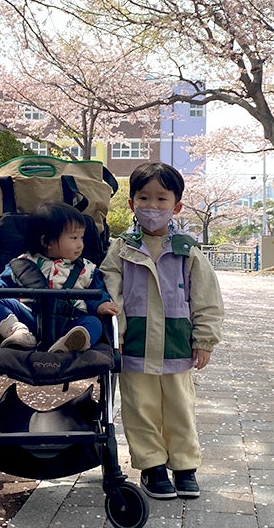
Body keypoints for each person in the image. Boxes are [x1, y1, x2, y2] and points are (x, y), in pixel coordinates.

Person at [100, 162, 224, 500]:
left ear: (176, 206)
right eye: (144, 198)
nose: (152, 206)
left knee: (180, 408)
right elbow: (111, 295)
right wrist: (116, 336)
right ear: (131, 204)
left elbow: (207, 299)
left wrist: (204, 340)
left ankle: (184, 466)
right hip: (134, 345)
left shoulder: (187, 250)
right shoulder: (121, 248)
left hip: (176, 345)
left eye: (161, 199)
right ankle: (152, 466)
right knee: (140, 408)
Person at [0, 202, 118, 352]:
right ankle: (19, 332)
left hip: (68, 321)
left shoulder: (87, 269)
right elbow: (2, 283)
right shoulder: (24, 263)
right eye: (74, 238)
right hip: (29, 317)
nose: (80, 244)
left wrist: (101, 304)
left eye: (81, 238)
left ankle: (68, 344)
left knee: (94, 323)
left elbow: (98, 291)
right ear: (46, 241)